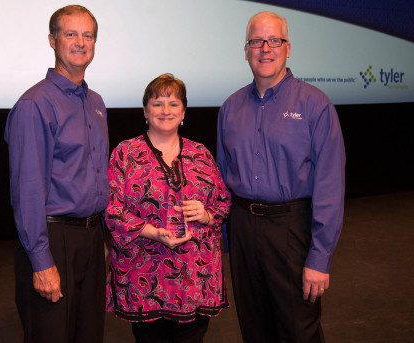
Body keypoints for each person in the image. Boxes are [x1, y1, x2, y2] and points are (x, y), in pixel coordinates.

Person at [217, 11, 346, 343]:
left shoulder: (315, 105)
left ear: (288, 48)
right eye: (257, 41)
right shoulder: (230, 108)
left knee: (298, 330)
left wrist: (320, 257)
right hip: (243, 230)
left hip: (292, 231)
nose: (265, 48)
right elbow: (221, 178)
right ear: (246, 51)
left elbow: (330, 186)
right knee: (254, 328)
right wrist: (226, 241)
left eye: (274, 40)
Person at [4, 5, 108, 342]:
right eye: (70, 34)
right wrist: (40, 259)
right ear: (52, 40)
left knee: (88, 335)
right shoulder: (36, 104)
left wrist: (100, 239)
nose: (80, 42)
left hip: (91, 239)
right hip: (53, 240)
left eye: (88, 35)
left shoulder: (96, 102)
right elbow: (28, 190)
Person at [105, 73, 231, 343]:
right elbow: (112, 209)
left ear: (183, 112)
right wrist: (151, 231)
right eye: (157, 103)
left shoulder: (202, 153)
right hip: (144, 276)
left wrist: (206, 214)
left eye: (173, 104)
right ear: (145, 111)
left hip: (197, 277)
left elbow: (223, 202)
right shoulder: (125, 153)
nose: (165, 111)